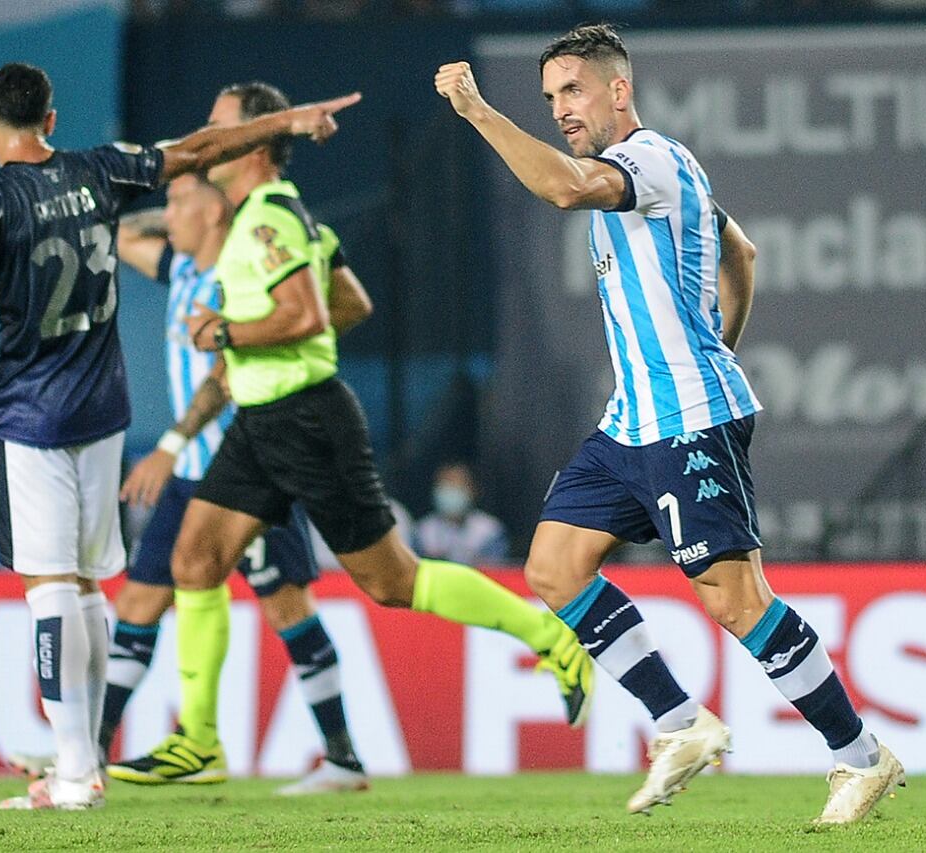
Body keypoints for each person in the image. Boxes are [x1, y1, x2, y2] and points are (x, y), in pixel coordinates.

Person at [0, 62, 359, 811]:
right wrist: (286, 122)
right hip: (105, 415)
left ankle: (72, 770)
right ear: (53, 121)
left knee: (50, 587)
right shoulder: (101, 171)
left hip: (33, 417)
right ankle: (85, 755)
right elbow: (198, 149)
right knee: (93, 588)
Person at [434, 25, 903, 825]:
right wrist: (723, 341)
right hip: (630, 425)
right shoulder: (653, 173)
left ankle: (862, 756)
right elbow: (743, 254)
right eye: (549, 97)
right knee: (554, 566)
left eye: (572, 90)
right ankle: (683, 724)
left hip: (688, 421)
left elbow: (564, 189)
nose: (560, 109)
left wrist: (481, 111)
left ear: (619, 89)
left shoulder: (651, 159)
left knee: (735, 601)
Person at [126, 80, 595, 784]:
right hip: (261, 419)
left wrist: (230, 329)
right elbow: (352, 300)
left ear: (254, 142)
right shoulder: (280, 216)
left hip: (307, 421)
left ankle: (549, 634)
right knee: (195, 559)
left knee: (393, 581)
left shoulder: (268, 222)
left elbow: (310, 312)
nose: (208, 136)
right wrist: (268, 340)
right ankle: (197, 738)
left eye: (221, 125)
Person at [102, 174, 374, 793]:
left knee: (287, 609)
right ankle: (86, 755)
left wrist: (170, 444)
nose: (167, 211)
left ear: (216, 208)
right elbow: (118, 234)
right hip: (189, 473)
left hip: (245, 464)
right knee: (139, 604)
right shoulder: (180, 269)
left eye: (180, 199)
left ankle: (342, 757)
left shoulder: (244, 265)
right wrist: (170, 214)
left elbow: (336, 311)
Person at [414, 462, 509, 564]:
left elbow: (496, 569)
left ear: (473, 490)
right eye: (446, 485)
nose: (450, 491)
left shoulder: (490, 531)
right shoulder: (423, 531)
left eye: (456, 485)